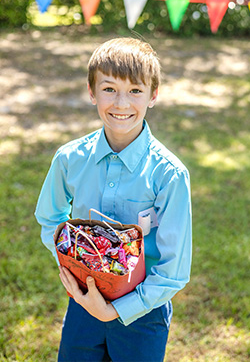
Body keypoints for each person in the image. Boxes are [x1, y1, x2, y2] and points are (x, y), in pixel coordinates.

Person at [35, 37, 192, 362]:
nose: (121, 103)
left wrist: (116, 310)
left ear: (153, 95)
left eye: (135, 90)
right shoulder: (69, 159)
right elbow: (50, 218)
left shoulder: (170, 174)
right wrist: (76, 266)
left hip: (142, 313)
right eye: (109, 89)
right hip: (82, 302)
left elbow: (174, 268)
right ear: (92, 93)